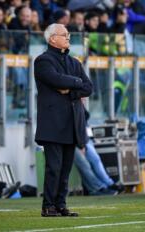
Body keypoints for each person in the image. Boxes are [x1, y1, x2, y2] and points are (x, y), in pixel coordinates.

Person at [34, 23, 93, 217]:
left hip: (71, 123)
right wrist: (75, 83)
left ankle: (60, 204)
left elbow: (88, 87)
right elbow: (55, 80)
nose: (68, 37)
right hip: (53, 124)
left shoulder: (74, 62)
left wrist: (69, 87)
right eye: (64, 34)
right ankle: (48, 206)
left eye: (68, 34)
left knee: (66, 168)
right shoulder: (43, 61)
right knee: (54, 167)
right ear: (52, 38)